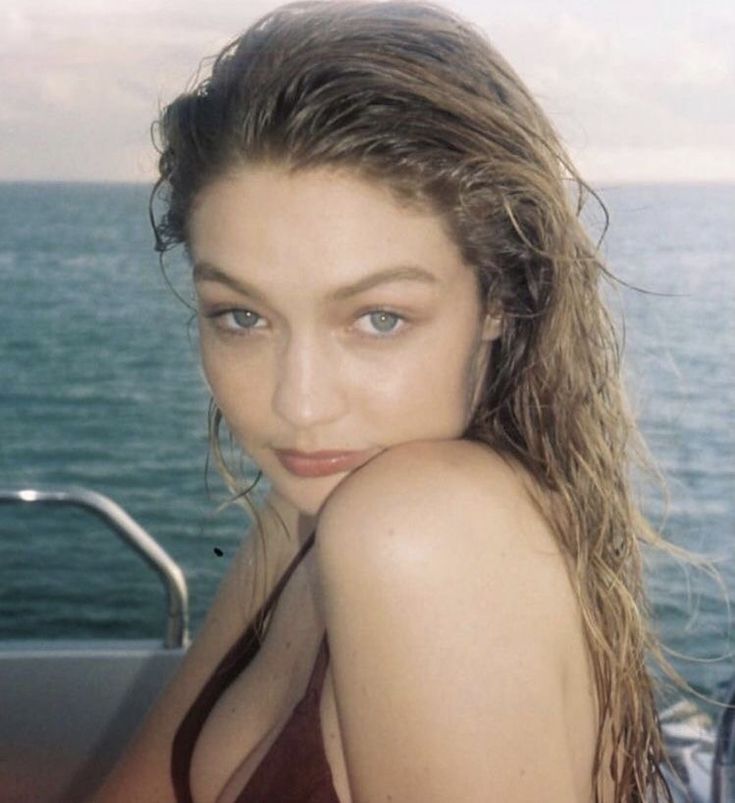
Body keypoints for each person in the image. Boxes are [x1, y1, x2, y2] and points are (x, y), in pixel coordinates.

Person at [90, 1, 677, 801]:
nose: (296, 405)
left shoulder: (418, 530)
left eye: (378, 318)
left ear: (500, 298)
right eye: (242, 315)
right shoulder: (300, 514)